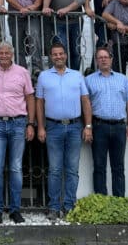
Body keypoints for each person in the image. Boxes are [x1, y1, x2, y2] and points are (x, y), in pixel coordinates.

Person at [0, 41, 36, 225]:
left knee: (16, 168)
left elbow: (30, 97)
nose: (3, 55)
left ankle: (15, 210)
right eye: (0, 53)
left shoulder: (22, 72)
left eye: (6, 53)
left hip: (18, 124)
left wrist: (31, 124)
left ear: (12, 54)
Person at [36, 43, 92, 221]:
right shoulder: (44, 76)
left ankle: (69, 206)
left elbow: (85, 101)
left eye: (61, 54)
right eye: (55, 54)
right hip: (53, 127)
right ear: (50, 57)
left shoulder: (77, 75)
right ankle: (53, 207)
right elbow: (39, 103)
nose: (58, 57)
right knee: (54, 169)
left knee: (72, 169)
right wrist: (41, 127)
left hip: (75, 127)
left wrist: (88, 126)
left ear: (66, 55)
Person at [85, 46, 128, 197]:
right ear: (96, 61)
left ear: (111, 59)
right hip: (99, 126)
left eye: (106, 57)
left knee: (118, 166)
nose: (103, 60)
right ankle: (101, 200)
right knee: (99, 166)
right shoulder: (88, 80)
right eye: (100, 57)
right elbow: (85, 104)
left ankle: (119, 200)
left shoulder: (123, 79)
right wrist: (88, 126)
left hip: (119, 127)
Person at [5, 0, 44, 73]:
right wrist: (21, 8)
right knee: (17, 43)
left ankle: (36, 69)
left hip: (32, 17)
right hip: (15, 17)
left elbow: (39, 1)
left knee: (35, 39)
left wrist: (29, 8)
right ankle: (22, 70)